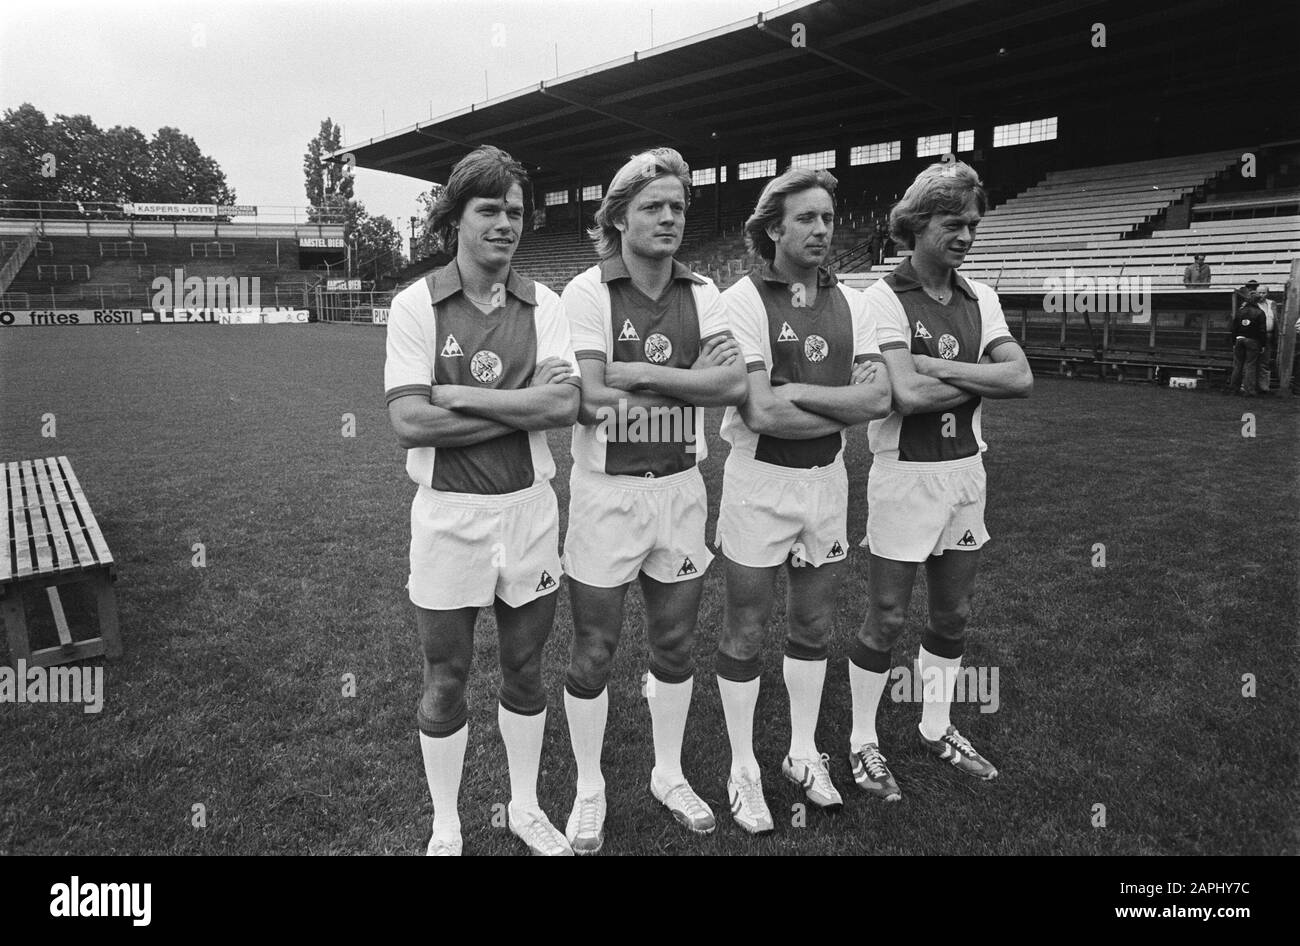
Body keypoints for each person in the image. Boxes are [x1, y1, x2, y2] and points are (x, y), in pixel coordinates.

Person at [384, 145, 582, 856]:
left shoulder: (546, 304)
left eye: (516, 212)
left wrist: (466, 395)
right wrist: (520, 405)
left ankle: (526, 805)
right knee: (446, 676)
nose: (506, 224)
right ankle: (447, 822)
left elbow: (564, 405)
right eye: (489, 209)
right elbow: (409, 419)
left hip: (529, 510)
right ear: (456, 218)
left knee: (527, 668)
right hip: (448, 516)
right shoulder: (416, 305)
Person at [559, 148, 747, 854]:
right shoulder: (586, 293)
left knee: (673, 643)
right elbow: (591, 400)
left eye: (678, 206)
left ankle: (667, 774)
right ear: (617, 216)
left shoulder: (706, 293)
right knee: (594, 649)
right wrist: (680, 377)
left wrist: (635, 373)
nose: (669, 217)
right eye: (652, 206)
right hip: (606, 495)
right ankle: (589, 787)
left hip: (680, 490)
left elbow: (733, 390)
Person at [714, 166, 892, 834]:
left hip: (827, 481)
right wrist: (829, 405)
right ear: (773, 229)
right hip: (760, 483)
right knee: (745, 627)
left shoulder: (858, 301)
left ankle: (801, 752)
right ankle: (742, 767)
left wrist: (802, 396)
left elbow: (879, 398)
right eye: (807, 219)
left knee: (813, 625)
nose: (822, 229)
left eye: (828, 217)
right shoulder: (743, 301)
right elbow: (761, 413)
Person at [852, 161, 1033, 800]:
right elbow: (903, 395)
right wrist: (960, 373)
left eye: (973, 225)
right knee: (887, 615)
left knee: (953, 614)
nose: (966, 236)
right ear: (919, 223)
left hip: (965, 474)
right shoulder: (881, 297)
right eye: (954, 223)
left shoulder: (981, 297)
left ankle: (937, 728)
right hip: (905, 476)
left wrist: (931, 364)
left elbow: (1021, 379)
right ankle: (862, 742)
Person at [1227, 293, 1267, 396]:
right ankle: (1249, 390)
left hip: (1239, 339)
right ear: (1257, 301)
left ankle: (1233, 389)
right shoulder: (1260, 313)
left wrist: (1233, 342)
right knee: (1250, 365)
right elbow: (1262, 330)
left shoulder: (1240, 312)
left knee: (1237, 365)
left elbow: (1233, 328)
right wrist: (1263, 344)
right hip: (1253, 340)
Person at [1254, 286, 1276, 395]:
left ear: (1267, 293)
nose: (1261, 295)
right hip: (1255, 336)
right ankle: (1251, 385)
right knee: (1252, 361)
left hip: (1268, 335)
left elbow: (1275, 319)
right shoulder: (1252, 304)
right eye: (1259, 292)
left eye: (1263, 292)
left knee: (1264, 362)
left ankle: (1263, 387)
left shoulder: (1272, 304)